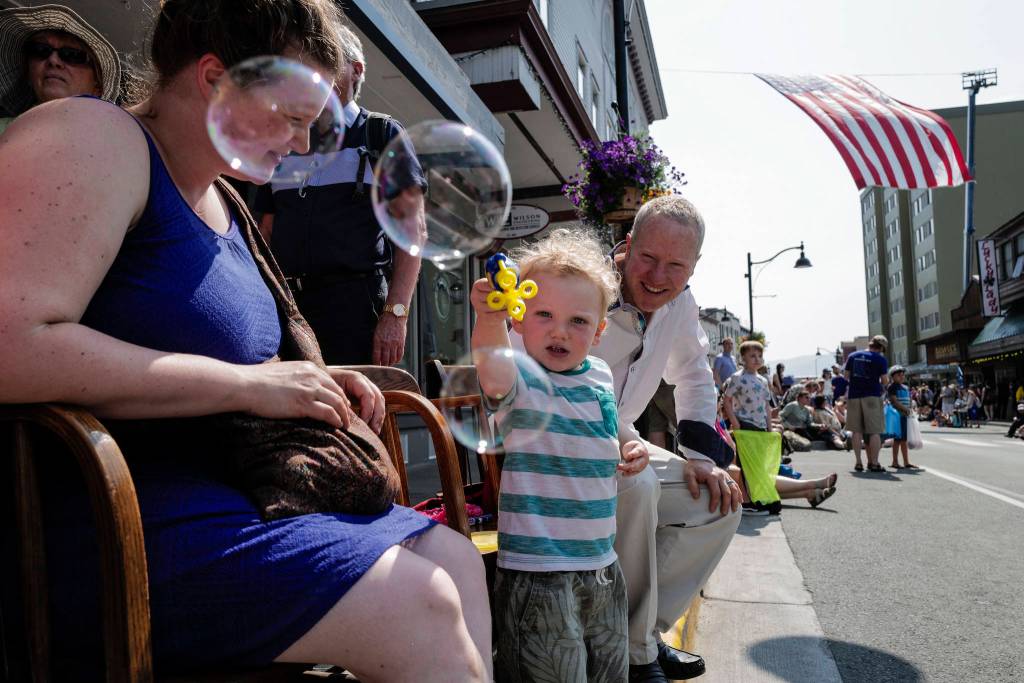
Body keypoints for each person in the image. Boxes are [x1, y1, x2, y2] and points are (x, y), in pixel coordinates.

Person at [0, 2, 491, 681]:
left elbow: (219, 354)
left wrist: (313, 378)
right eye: (292, 118)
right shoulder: (91, 133)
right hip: (110, 525)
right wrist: (252, 385)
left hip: (228, 498)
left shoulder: (225, 200)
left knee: (457, 561)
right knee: (420, 600)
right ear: (213, 77)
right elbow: (11, 343)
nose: (298, 143)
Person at [551, 195, 741, 683]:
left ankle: (643, 633)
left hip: (621, 439)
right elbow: (525, 364)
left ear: (694, 267)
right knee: (637, 487)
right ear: (627, 246)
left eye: (676, 265)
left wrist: (700, 457)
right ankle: (635, 657)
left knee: (720, 501)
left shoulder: (680, 303)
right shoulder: (582, 285)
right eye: (649, 258)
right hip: (554, 439)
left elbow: (695, 376)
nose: (658, 277)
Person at [470, 229, 648, 683]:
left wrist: (632, 442)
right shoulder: (522, 374)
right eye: (543, 314)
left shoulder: (602, 375)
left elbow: (611, 425)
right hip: (539, 569)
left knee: (609, 672)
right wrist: (488, 318)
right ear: (519, 317)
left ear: (600, 330)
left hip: (601, 564)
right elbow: (492, 376)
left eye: (578, 321)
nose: (559, 331)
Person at [255, 24, 423, 367]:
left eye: (328, 60)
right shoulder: (281, 139)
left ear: (356, 69)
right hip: (287, 308)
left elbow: (412, 233)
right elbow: (264, 234)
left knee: (357, 416)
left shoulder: (380, 133)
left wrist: (396, 315)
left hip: (356, 309)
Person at [0, 4, 121, 135]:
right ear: (28, 72)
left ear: (98, 86)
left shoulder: (107, 146)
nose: (53, 60)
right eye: (41, 50)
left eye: (72, 54)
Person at [845, 335, 890, 473]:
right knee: (874, 431)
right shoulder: (880, 359)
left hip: (854, 396)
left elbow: (846, 376)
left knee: (856, 431)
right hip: (872, 396)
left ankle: (859, 462)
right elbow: (884, 381)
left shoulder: (852, 356)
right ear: (881, 347)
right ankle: (874, 463)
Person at [722, 340, 772, 433]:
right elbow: (726, 400)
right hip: (745, 423)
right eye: (753, 356)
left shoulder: (763, 381)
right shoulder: (737, 377)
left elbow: (766, 406)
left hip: (761, 425)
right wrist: (735, 422)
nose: (757, 359)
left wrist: (770, 428)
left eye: (760, 356)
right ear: (743, 358)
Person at [886, 366, 917, 469]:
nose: (901, 376)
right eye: (898, 375)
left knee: (904, 440)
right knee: (897, 439)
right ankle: (895, 461)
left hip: (906, 416)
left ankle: (906, 462)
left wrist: (910, 409)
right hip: (898, 416)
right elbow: (894, 401)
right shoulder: (892, 387)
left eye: (902, 374)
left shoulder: (905, 387)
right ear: (892, 376)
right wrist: (905, 409)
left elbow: (909, 400)